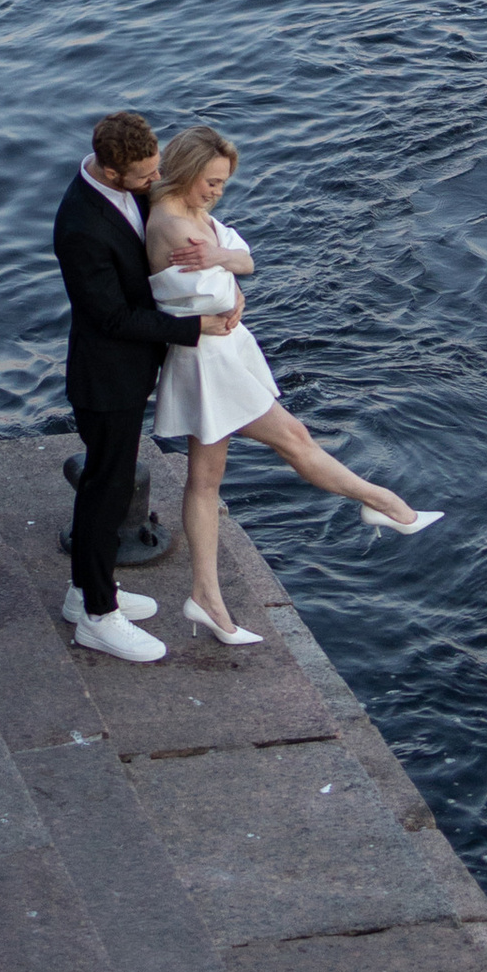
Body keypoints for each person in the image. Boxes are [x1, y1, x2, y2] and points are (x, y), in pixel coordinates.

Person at [145, 123, 441, 647]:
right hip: (208, 363)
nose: (217, 192)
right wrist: (229, 275)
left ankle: (206, 596)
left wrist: (226, 266)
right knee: (290, 442)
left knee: (209, 479)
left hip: (221, 355)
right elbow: (222, 293)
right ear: (188, 171)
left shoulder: (196, 217)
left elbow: (245, 262)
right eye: (211, 181)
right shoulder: (172, 224)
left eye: (223, 184)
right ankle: (387, 504)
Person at [51, 111, 190, 662]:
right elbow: (110, 318)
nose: (153, 181)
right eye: (142, 175)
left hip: (125, 371)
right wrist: (193, 328)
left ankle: (84, 591)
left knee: (106, 488)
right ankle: (97, 618)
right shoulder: (79, 226)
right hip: (105, 377)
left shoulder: (128, 187)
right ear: (111, 172)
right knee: (104, 493)